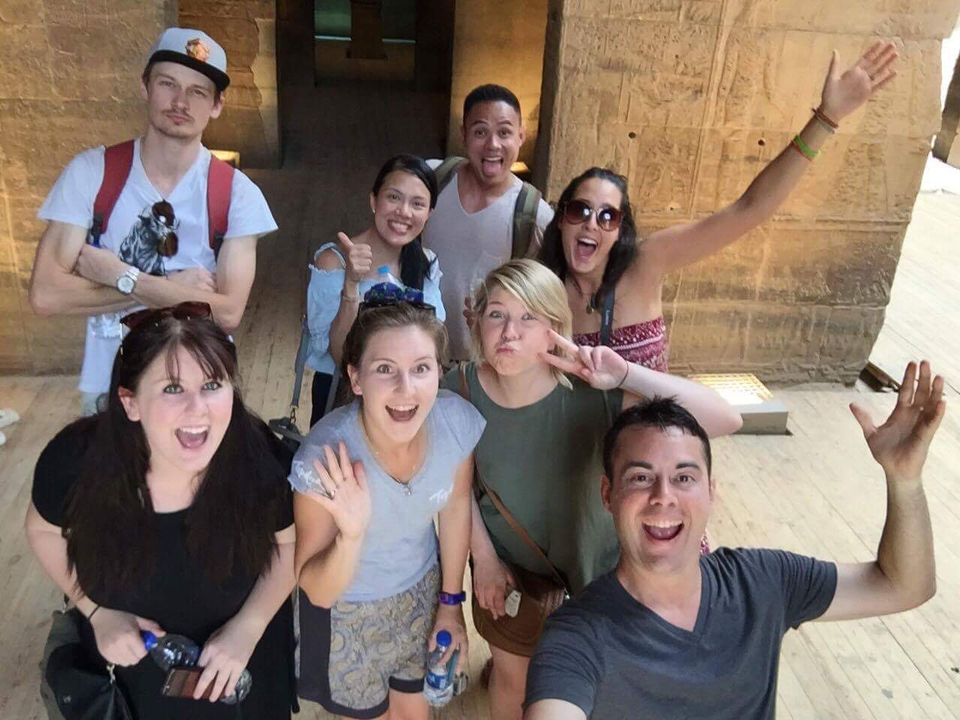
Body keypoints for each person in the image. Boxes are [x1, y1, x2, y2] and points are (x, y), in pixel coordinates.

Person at [523, 361, 944, 720]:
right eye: (640, 477)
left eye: (684, 477)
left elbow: (904, 586)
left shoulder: (761, 582)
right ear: (608, 496)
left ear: (711, 493)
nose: (663, 496)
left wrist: (904, 482)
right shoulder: (577, 636)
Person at [441, 259, 742, 720]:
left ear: (555, 330)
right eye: (497, 314)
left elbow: (725, 418)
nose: (510, 333)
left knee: (600, 689)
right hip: (514, 574)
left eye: (529, 318)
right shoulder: (460, 389)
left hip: (599, 575)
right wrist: (482, 558)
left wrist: (624, 375)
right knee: (512, 683)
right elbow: (454, 486)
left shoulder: (595, 395)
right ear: (478, 321)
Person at [539, 42, 899, 371]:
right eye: (579, 211)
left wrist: (826, 118)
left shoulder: (646, 263)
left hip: (652, 439)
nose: (591, 223)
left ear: (620, 230)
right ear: (561, 220)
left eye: (608, 216)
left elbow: (750, 209)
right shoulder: (542, 288)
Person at [25, 302, 297, 719]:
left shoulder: (258, 458)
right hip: (130, 682)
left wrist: (250, 627)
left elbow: (291, 542)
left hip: (240, 671)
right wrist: (98, 613)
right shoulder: (76, 460)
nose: (197, 409)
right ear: (130, 402)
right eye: (172, 388)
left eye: (212, 385)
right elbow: (43, 531)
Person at [29, 27, 278, 416]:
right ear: (145, 86)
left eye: (198, 92)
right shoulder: (92, 173)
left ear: (217, 104)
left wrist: (118, 274)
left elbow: (227, 313)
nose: (181, 102)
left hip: (199, 388)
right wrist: (173, 292)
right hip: (112, 387)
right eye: (168, 84)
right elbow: (45, 294)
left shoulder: (237, 195)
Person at [292, 302, 484, 720]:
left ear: (439, 372)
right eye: (384, 369)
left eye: (421, 368)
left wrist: (451, 603)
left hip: (421, 592)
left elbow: (454, 509)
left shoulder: (453, 423)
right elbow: (317, 590)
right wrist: (352, 534)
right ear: (355, 378)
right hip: (347, 611)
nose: (406, 389)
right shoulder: (324, 459)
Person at [306, 154, 444, 425]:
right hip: (343, 402)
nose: (404, 212)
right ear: (373, 201)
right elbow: (338, 357)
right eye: (393, 197)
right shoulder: (333, 261)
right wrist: (351, 284)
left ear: (429, 214)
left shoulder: (426, 263)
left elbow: (432, 342)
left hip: (404, 399)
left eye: (417, 204)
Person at [423, 84, 554, 361]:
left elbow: (543, 301)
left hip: (483, 368)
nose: (493, 145)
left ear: (521, 137)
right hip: (418, 354)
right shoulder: (433, 179)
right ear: (464, 135)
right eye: (480, 132)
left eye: (504, 132)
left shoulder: (534, 216)